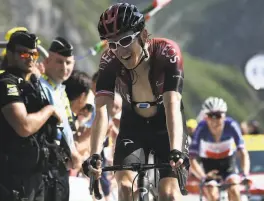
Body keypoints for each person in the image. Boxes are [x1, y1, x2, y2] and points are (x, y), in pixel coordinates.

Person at [82, 3, 189, 201]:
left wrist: (175, 150)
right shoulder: (109, 60)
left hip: (165, 124)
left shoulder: (167, 52)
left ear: (143, 35)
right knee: (124, 188)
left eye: (125, 40)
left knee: (169, 194)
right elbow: (102, 111)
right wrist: (95, 154)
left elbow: (172, 104)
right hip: (134, 124)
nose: (120, 51)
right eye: (112, 44)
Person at [0, 31, 62, 201]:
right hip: (12, 180)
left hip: (36, 177)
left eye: (34, 54)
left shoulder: (33, 85)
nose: (30, 58)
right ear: (11, 54)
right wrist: (49, 110)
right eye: (23, 53)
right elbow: (24, 126)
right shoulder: (7, 83)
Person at [40, 37, 81, 201]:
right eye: (59, 62)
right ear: (47, 61)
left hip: (59, 164)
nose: (65, 67)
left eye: (68, 63)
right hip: (46, 163)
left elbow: (67, 127)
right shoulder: (42, 86)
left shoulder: (60, 90)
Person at [189, 97, 250, 201]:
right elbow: (192, 157)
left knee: (234, 190)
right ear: (205, 116)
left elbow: (243, 152)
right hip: (209, 165)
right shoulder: (201, 128)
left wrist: (245, 174)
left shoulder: (231, 125)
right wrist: (203, 176)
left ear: (224, 116)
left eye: (218, 115)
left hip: (228, 163)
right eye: (210, 115)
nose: (214, 120)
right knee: (212, 193)